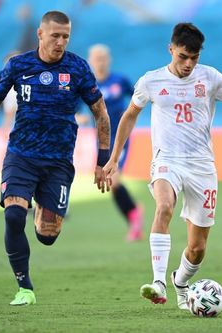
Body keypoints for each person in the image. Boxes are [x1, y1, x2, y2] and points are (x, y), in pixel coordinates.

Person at [102, 22, 222, 310]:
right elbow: (129, 116)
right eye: (183, 56)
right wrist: (114, 157)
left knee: (197, 248)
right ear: (171, 50)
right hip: (166, 160)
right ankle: (158, 282)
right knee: (164, 206)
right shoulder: (151, 81)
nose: (189, 64)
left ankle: (180, 282)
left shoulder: (210, 78)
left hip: (202, 166)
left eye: (194, 58)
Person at [0, 10, 111, 306]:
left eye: (66, 37)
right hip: (21, 156)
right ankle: (24, 287)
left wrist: (102, 160)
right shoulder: (18, 65)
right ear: (40, 34)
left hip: (58, 161)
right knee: (12, 215)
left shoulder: (78, 68)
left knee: (47, 236)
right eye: (55, 36)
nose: (60, 42)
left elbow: (101, 114)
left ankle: (38, 204)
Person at [84, 44, 144, 241]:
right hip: (101, 142)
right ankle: (134, 215)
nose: (100, 61)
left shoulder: (120, 81)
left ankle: (135, 218)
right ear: (90, 61)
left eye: (103, 57)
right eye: (96, 58)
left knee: (114, 179)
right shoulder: (86, 84)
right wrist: (78, 117)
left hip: (121, 140)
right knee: (111, 184)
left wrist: (132, 114)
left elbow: (139, 97)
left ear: (108, 59)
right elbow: (74, 108)